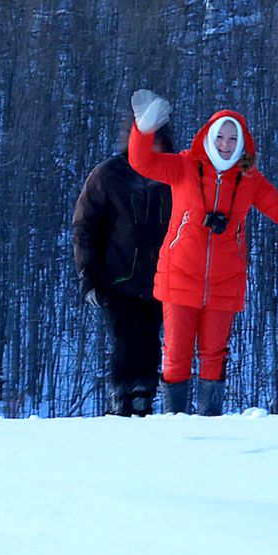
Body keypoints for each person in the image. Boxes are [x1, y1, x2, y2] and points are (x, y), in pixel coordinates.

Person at [127, 88, 278, 415]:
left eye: (233, 139)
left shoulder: (249, 179)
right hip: (179, 276)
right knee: (176, 354)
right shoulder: (185, 166)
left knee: (214, 355)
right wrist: (143, 130)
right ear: (209, 136)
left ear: (242, 143)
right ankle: (174, 424)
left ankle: (210, 423)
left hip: (225, 281)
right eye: (221, 137)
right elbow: (141, 161)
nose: (226, 144)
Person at [72, 117, 174, 416]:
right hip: (116, 276)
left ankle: (144, 396)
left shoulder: (173, 174)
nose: (151, 146)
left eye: (157, 140)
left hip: (160, 277)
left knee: (150, 340)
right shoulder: (108, 175)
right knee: (125, 338)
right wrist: (88, 275)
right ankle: (122, 397)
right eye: (145, 139)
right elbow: (84, 226)